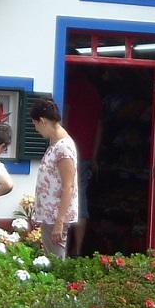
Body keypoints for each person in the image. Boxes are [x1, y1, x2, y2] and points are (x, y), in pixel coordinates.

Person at [31, 97, 78, 259]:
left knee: (55, 262)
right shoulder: (54, 143)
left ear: (42, 121)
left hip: (55, 217)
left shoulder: (64, 148)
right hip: (49, 216)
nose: (36, 129)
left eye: (35, 124)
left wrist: (60, 222)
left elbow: (68, 186)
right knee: (50, 259)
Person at [63, 71, 102, 256]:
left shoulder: (71, 88)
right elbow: (100, 126)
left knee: (65, 197)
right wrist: (94, 156)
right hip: (85, 154)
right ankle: (77, 249)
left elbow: (65, 117)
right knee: (80, 201)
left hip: (69, 154)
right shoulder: (94, 93)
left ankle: (63, 248)